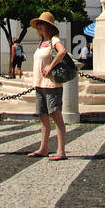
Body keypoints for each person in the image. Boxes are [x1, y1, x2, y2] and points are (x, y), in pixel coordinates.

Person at [27, 11, 68, 161]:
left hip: (51, 84)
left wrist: (50, 67)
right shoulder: (41, 43)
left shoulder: (54, 40)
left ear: (48, 26)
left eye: (42, 24)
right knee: (43, 116)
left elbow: (62, 51)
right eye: (38, 24)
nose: (39, 27)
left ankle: (61, 151)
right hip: (39, 85)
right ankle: (43, 148)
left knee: (56, 116)